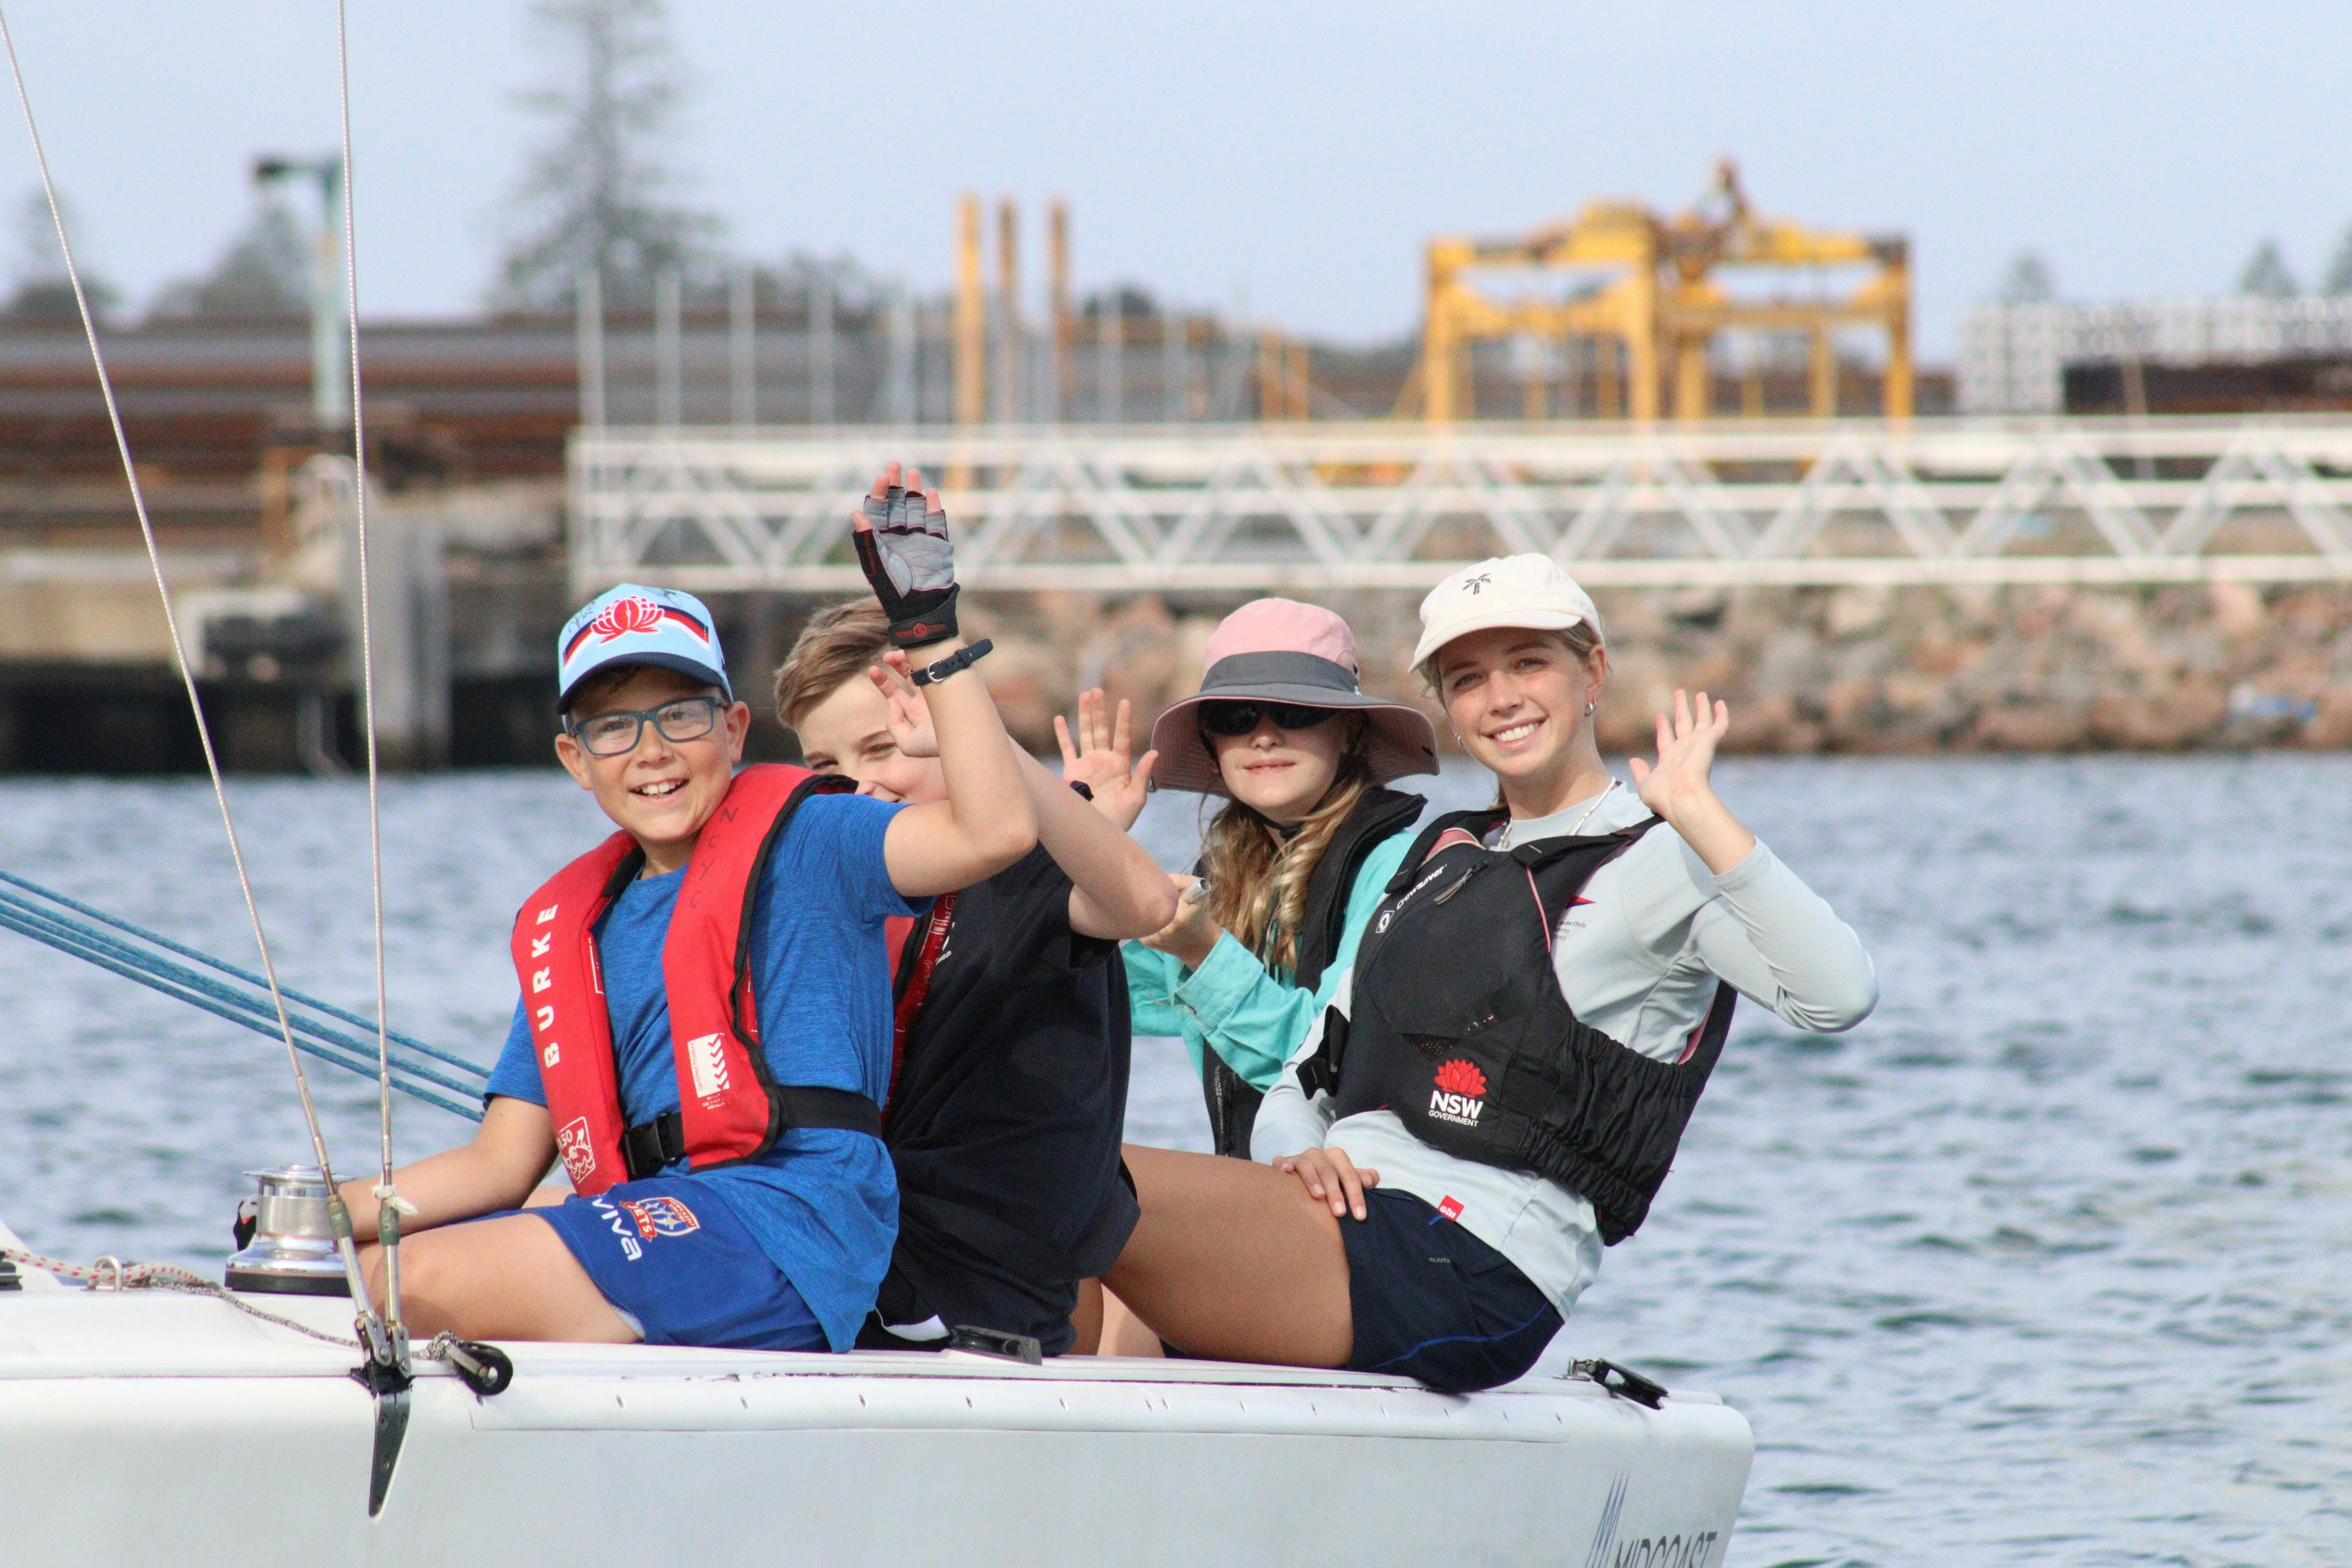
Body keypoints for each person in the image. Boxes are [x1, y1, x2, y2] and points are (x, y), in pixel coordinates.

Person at [1100, 554, 1878, 1392]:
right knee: (1024, 1243)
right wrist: (1298, 1154)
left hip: (1471, 1266)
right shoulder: (1443, 856)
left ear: (1594, 672)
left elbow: (1838, 994)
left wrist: (1700, 814)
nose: (1501, 696)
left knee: (1075, 1178)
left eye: (1530, 662)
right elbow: (1306, 1071)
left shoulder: (1668, 855)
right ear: (1450, 710)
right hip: (1343, 1221)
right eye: (1469, 678)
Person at [336, 463, 1035, 1355]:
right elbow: (498, 1163)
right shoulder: (574, 930)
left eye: (680, 716)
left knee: (415, 1278)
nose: (652, 751)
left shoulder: (818, 838)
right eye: (614, 727)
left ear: (737, 730)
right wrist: (315, 1210)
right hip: (664, 1221)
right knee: (359, 1262)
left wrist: (930, 630)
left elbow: (996, 831)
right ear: (574, 759)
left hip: (793, 1229)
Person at [774, 600, 1174, 1356]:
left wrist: (998, 754)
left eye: (887, 747)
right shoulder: (847, 887)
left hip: (973, 1297)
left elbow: (1144, 902)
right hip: (869, 1257)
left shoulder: (1032, 875)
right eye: (827, 768)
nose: (863, 789)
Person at [1098, 599, 1440, 1158]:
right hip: (1268, 1200)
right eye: (1237, 718)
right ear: (1213, 742)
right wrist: (1088, 837)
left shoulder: (1401, 871)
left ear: (1349, 733)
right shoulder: (1222, 879)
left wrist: (1206, 954)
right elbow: (1080, 985)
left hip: (1371, 1201)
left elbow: (1327, 1065)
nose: (1263, 736)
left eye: (1296, 711)